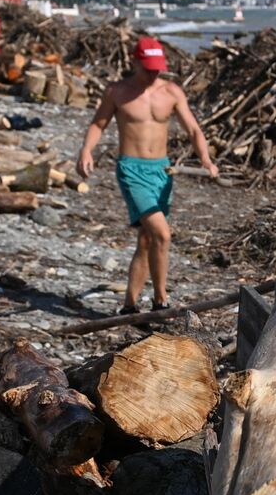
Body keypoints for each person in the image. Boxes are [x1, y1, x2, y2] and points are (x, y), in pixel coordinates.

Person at [77, 37, 218, 314]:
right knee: (162, 235)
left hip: (162, 172)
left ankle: (129, 305)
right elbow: (98, 123)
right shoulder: (117, 91)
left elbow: (193, 130)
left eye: (157, 68)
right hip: (131, 170)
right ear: (135, 61)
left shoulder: (172, 92)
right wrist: (86, 151)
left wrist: (206, 159)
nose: (154, 73)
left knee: (147, 238)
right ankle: (160, 301)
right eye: (148, 67)